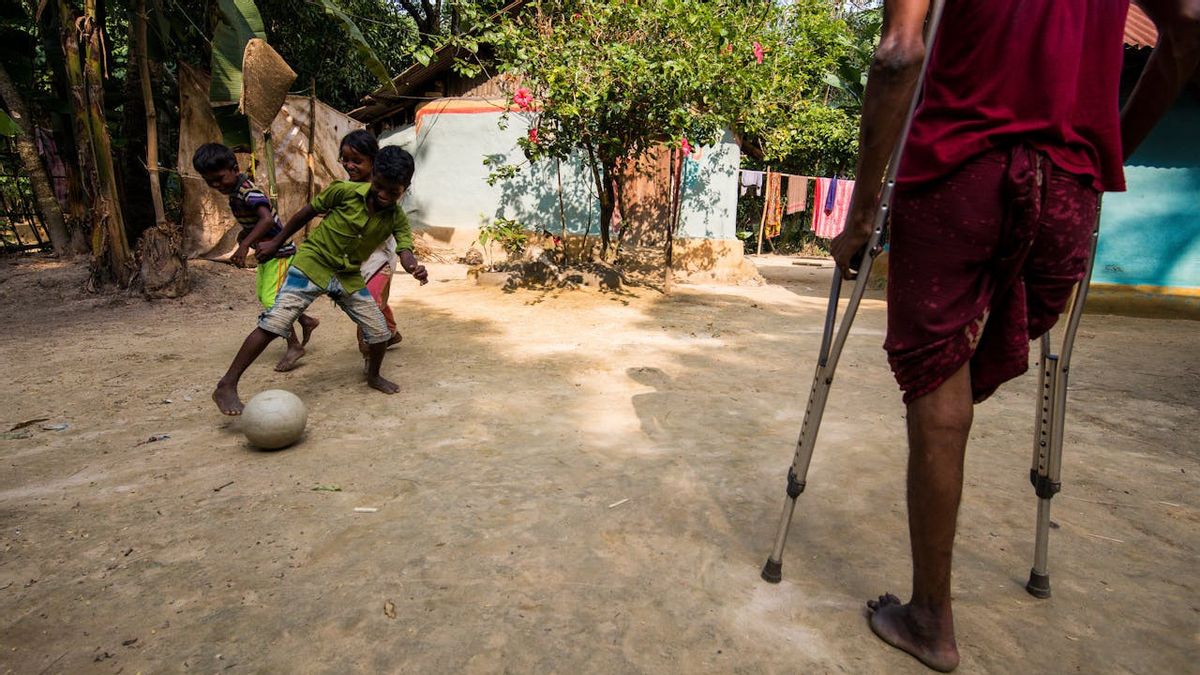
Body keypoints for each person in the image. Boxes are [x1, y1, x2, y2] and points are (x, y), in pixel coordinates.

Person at [829, 1, 1200, 671]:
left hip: (957, 169)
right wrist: (1111, 148)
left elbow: (898, 53)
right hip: (1069, 188)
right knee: (961, 368)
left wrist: (860, 214)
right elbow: (1191, 21)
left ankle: (930, 618)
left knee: (938, 377)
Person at [211, 145, 428, 415]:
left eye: (393, 192)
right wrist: (277, 241)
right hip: (312, 264)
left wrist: (414, 267)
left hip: (347, 274)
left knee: (379, 331)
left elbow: (404, 250)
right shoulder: (344, 191)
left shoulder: (397, 218)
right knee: (274, 323)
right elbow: (305, 213)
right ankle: (226, 385)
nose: (383, 195)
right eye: (379, 187)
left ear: (405, 189)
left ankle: (373, 375)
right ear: (373, 176)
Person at [193, 143, 319, 372]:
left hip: (280, 252)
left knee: (273, 301)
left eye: (219, 178)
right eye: (210, 182)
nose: (216, 185)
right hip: (267, 254)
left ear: (234, 169)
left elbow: (267, 220)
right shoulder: (235, 192)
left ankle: (294, 345)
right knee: (264, 295)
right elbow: (254, 222)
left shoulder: (248, 192)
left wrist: (244, 246)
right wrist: (245, 236)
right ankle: (306, 320)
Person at [337, 129, 403, 357]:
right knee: (372, 301)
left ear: (373, 161)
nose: (349, 165)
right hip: (357, 260)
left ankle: (368, 356)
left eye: (356, 161)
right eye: (345, 159)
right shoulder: (345, 190)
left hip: (380, 259)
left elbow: (398, 225)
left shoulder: (382, 189)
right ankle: (391, 332)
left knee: (367, 306)